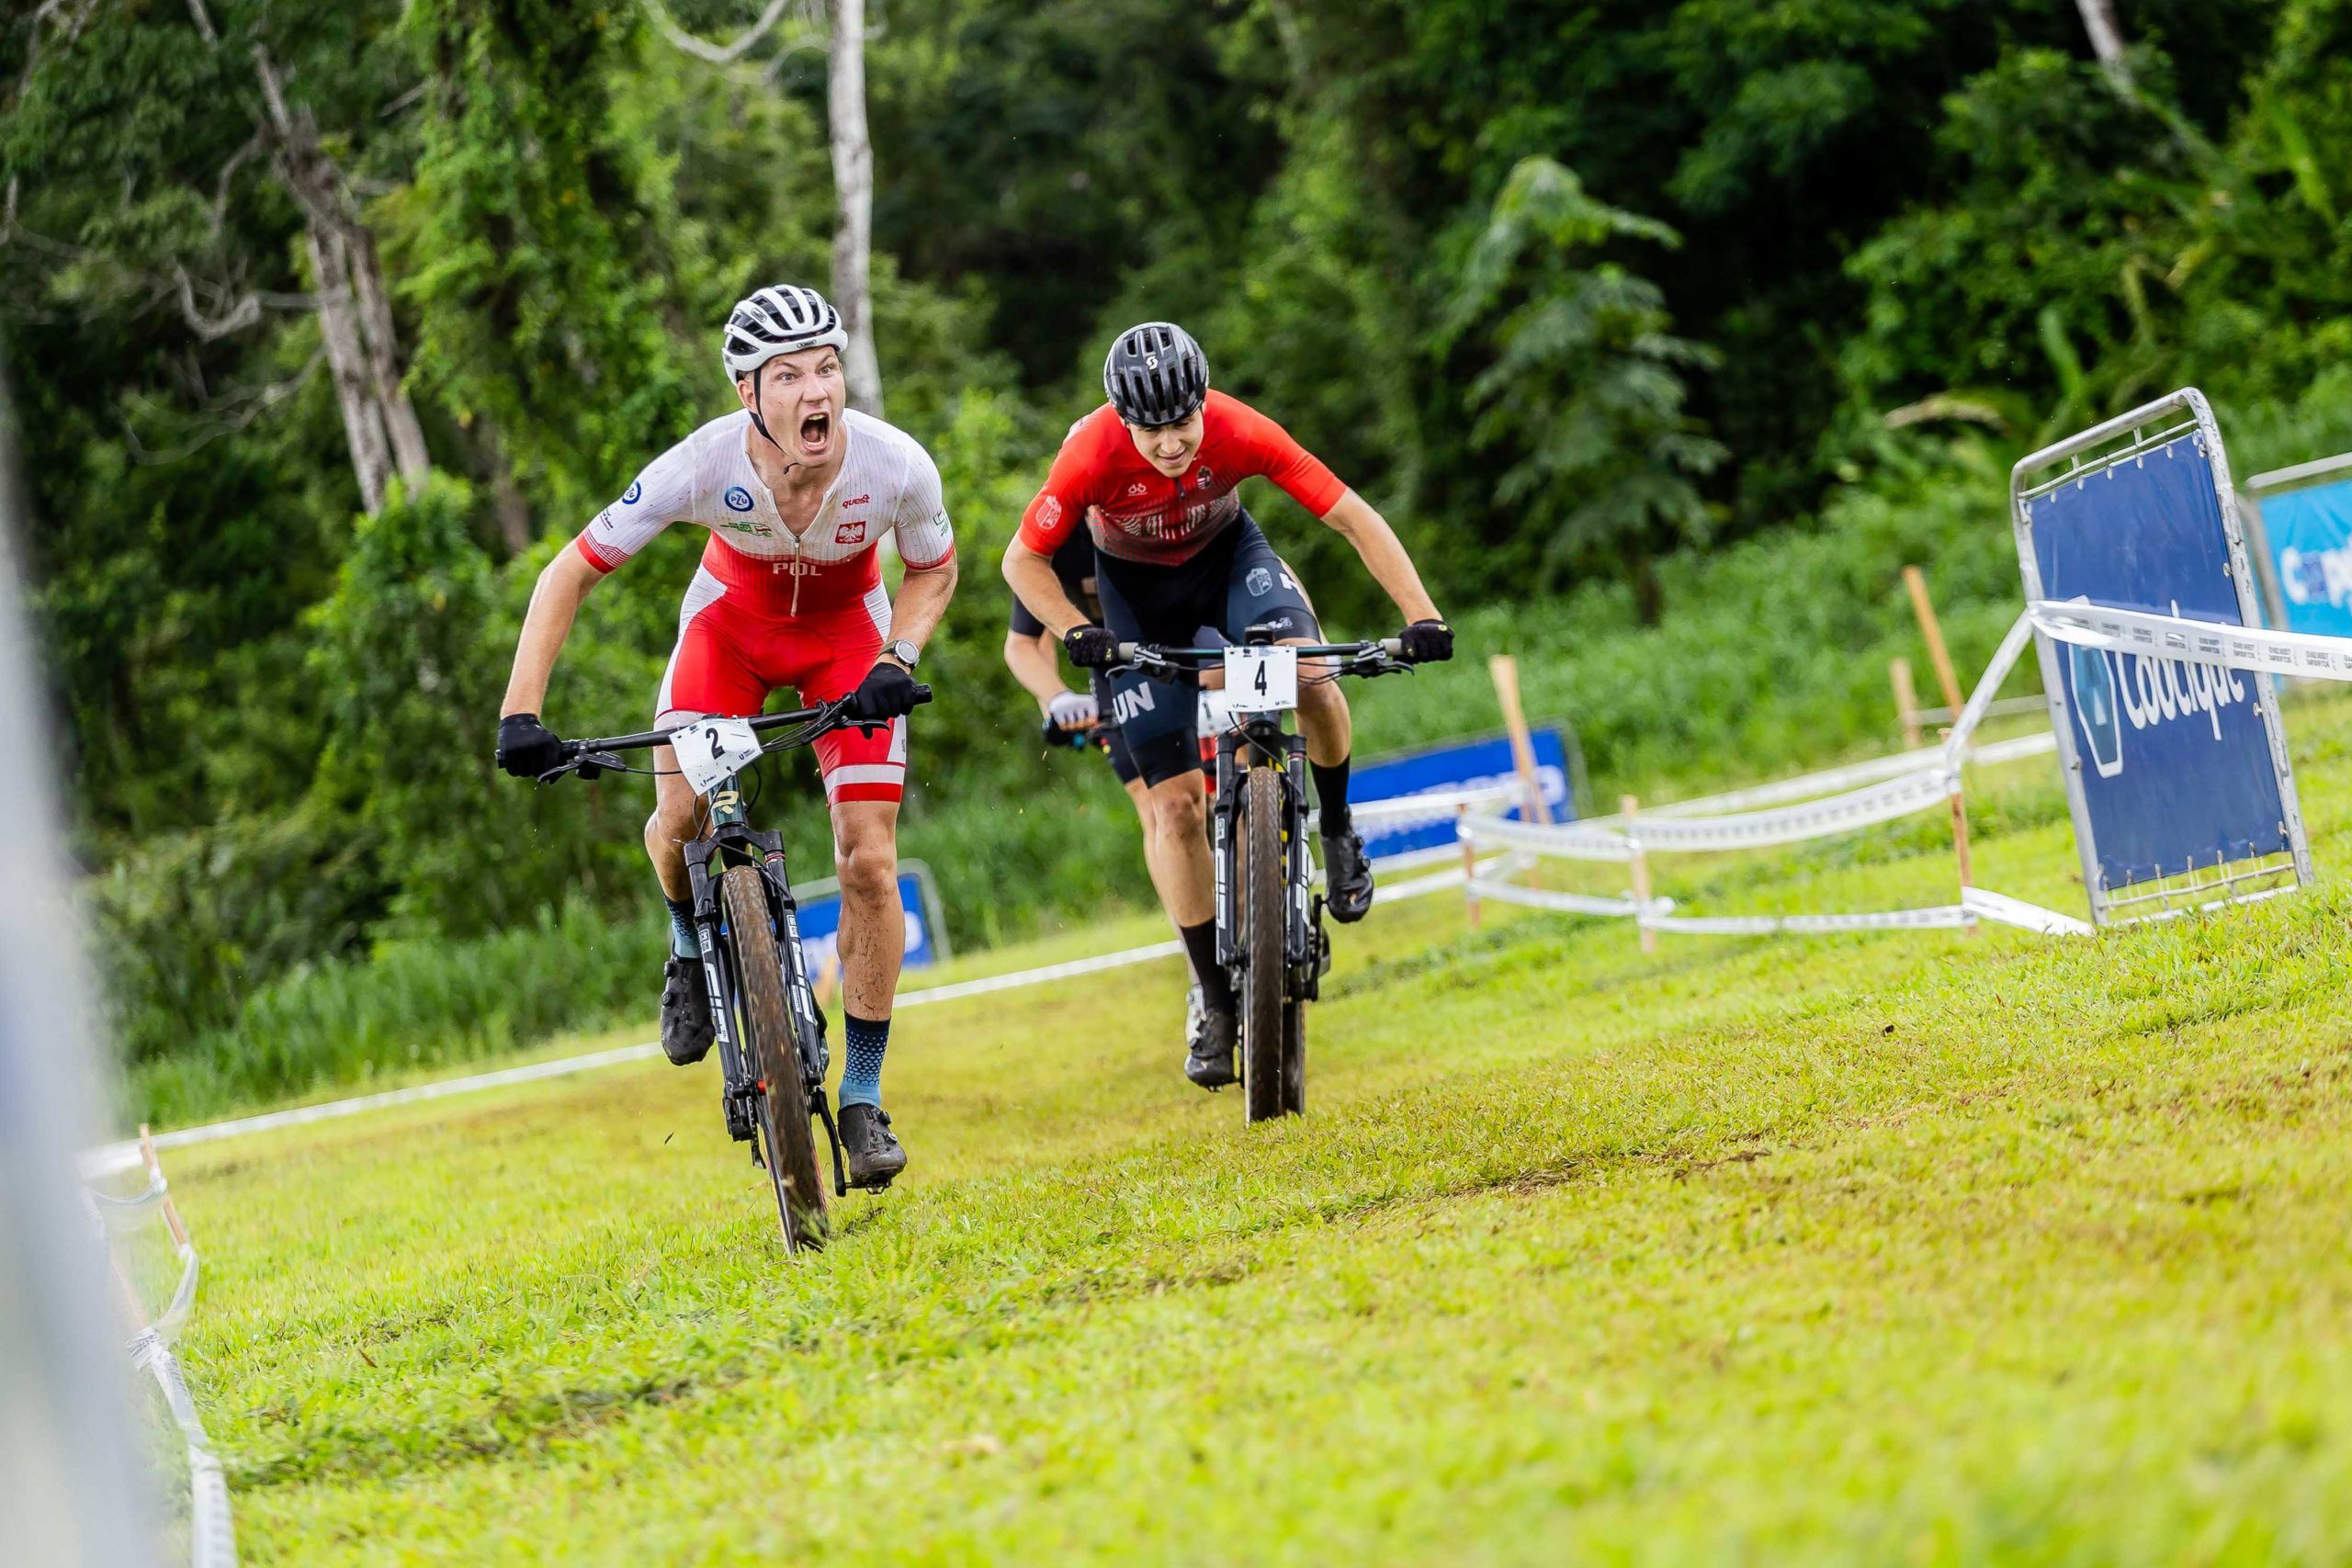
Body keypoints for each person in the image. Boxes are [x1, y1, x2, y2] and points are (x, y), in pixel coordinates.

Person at [494, 285, 956, 1187]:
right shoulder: (703, 464)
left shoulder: (894, 464)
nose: (815, 390)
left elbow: (933, 569)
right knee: (675, 817)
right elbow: (568, 573)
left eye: (827, 368)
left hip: (844, 643)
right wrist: (520, 714)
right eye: (788, 375)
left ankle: (861, 1099)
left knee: (868, 861)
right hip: (727, 637)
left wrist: (897, 656)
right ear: (749, 394)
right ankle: (682, 941)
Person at [1001, 321, 1453, 1089]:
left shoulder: (1241, 428)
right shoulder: (1090, 453)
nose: (1171, 443)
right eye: (1151, 429)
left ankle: (1338, 826)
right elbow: (1021, 561)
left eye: (1182, 422)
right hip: (1135, 602)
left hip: (1227, 563)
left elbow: (1349, 513)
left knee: (1311, 675)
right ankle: (1213, 999)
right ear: (1122, 418)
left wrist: (1422, 615)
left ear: (1203, 402)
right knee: (1174, 810)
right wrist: (1079, 633)